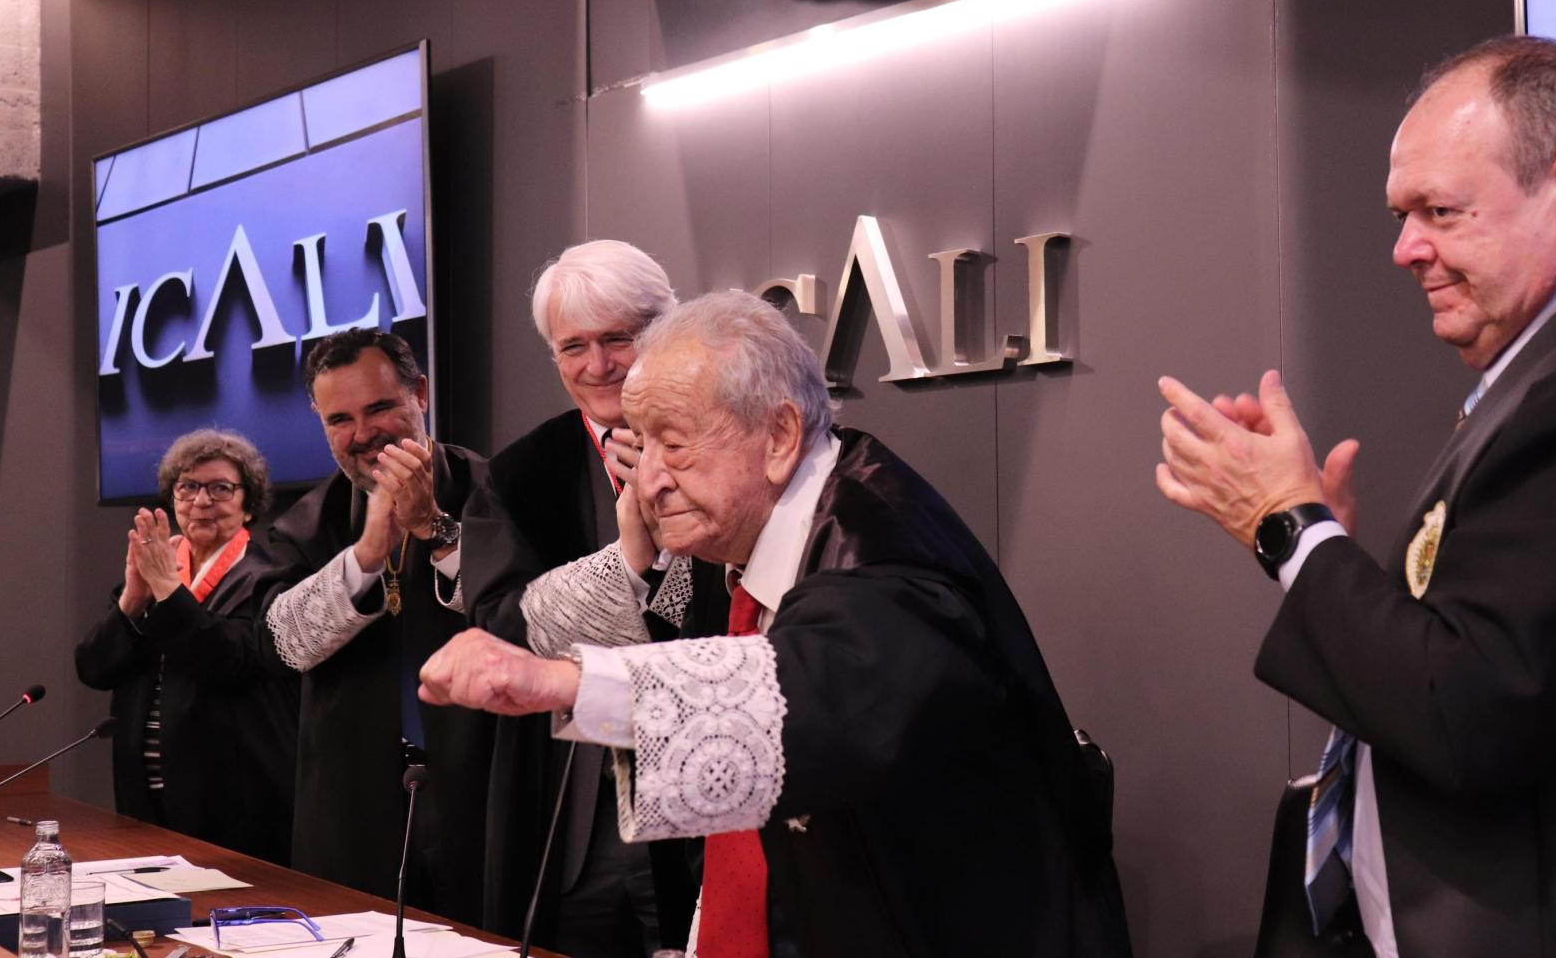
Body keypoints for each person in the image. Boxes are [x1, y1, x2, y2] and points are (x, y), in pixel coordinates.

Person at [1154, 36, 1556, 956]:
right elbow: (1488, 659)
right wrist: (1320, 547)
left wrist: (1290, 532)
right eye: (1403, 214)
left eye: (1440, 211)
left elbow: (1470, 712)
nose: (1406, 249)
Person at [420, 290, 1134, 956]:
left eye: (675, 443)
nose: (649, 480)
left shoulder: (884, 556)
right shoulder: (753, 532)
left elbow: (807, 693)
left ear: (780, 436)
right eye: (640, 446)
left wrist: (563, 681)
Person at [460, 240, 683, 954]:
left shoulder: (729, 440)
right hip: (571, 802)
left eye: (619, 338)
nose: (597, 367)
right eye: (573, 347)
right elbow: (500, 622)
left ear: (667, 327)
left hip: (705, 775)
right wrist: (629, 557)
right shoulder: (520, 472)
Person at [257, 328, 494, 922]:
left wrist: (434, 528)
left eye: (380, 407)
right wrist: (367, 553)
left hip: (480, 796)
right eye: (340, 419)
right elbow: (286, 644)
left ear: (420, 392)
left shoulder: (494, 489)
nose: (363, 435)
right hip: (350, 810)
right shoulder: (305, 523)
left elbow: (522, 617)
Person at [76, 429, 298, 864]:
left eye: (220, 488)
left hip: (231, 805)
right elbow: (93, 668)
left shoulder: (270, 573)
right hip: (145, 800)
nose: (201, 501)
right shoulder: (160, 571)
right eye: (188, 487)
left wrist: (165, 587)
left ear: (248, 503)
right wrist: (133, 600)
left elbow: (231, 660)